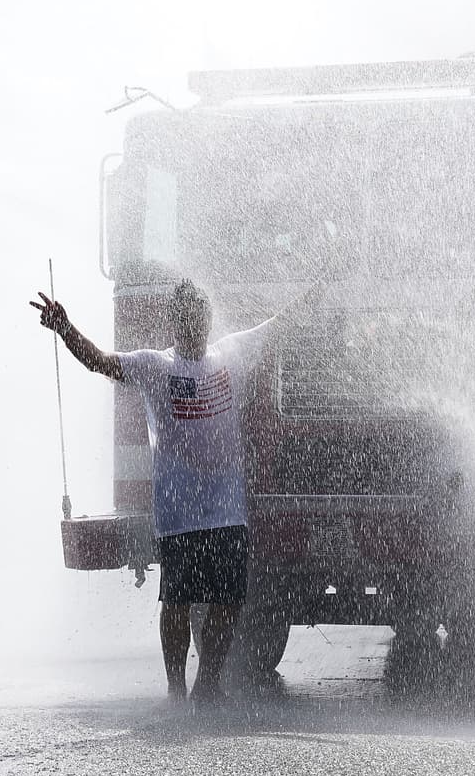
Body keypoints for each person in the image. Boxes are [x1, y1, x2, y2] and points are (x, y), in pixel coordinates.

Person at [31, 279, 320, 708]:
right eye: (187, 321)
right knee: (178, 601)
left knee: (227, 600)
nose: (196, 329)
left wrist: (318, 285)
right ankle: (174, 686)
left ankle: (208, 684)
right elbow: (100, 362)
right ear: (175, 322)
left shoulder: (228, 356)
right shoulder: (156, 367)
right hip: (180, 512)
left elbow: (278, 324)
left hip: (226, 511)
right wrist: (65, 328)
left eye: (201, 320)